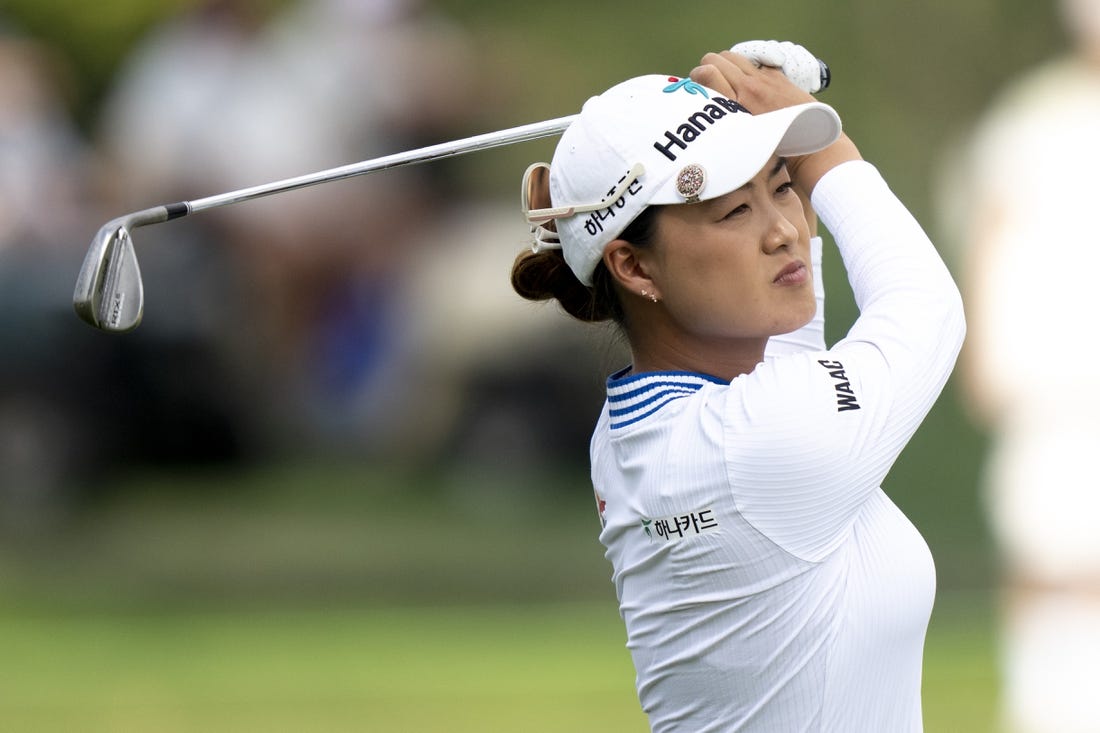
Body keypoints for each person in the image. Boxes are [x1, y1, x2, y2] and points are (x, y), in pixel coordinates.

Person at [511, 43, 965, 731]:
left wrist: (767, 108)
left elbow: (789, 324)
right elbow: (926, 311)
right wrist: (825, 144)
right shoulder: (755, 443)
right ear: (634, 266)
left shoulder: (660, 421)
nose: (784, 231)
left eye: (783, 188)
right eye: (733, 213)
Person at [944, 1, 1100, 730]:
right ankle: (1042, 708)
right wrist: (982, 352)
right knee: (1046, 554)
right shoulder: (1031, 122)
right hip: (1050, 382)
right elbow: (990, 234)